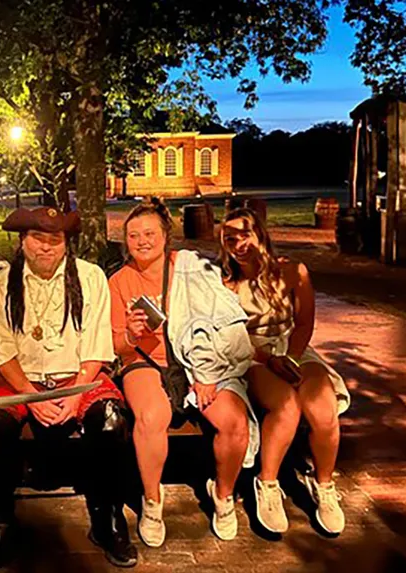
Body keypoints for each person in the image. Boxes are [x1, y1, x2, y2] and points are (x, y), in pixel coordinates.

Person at [0, 206, 138, 571]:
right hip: (20, 378)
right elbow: (2, 350)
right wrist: (32, 397)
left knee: (110, 421)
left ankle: (107, 517)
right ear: (22, 241)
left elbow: (96, 344)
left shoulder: (90, 277)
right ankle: (1, 523)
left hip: (76, 375)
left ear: (66, 243)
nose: (46, 248)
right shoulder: (2, 283)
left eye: (55, 240)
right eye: (37, 239)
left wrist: (77, 393)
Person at [109, 199, 258, 545]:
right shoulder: (119, 281)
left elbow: (223, 321)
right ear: (125, 239)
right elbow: (116, 347)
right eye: (133, 235)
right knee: (150, 416)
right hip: (146, 360)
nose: (142, 241)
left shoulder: (191, 269)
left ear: (165, 235)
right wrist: (131, 334)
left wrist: (205, 372)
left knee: (233, 422)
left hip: (197, 361)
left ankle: (223, 495)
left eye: (149, 233)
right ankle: (152, 502)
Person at [219, 207, 351, 535]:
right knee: (287, 405)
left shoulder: (293, 272)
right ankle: (267, 484)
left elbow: (304, 323)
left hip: (292, 347)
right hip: (251, 354)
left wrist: (291, 357)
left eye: (244, 234)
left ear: (260, 234)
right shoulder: (224, 283)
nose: (239, 244)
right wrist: (268, 359)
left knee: (323, 407)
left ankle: (325, 486)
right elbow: (227, 335)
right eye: (230, 238)